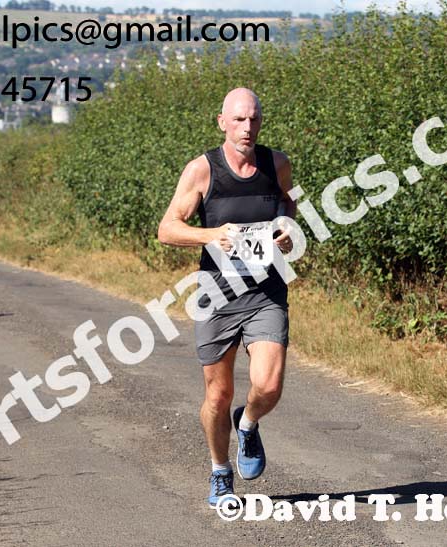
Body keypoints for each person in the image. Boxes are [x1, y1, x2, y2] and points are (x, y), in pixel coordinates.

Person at [157, 88, 295, 508]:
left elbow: (287, 204)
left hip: (266, 290)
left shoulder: (277, 164)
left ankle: (249, 425)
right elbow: (168, 228)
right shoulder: (202, 170)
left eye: (253, 119)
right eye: (238, 120)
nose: (247, 127)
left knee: (268, 386)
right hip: (217, 295)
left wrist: (288, 229)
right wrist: (210, 234)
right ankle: (220, 472)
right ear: (222, 122)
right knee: (218, 396)